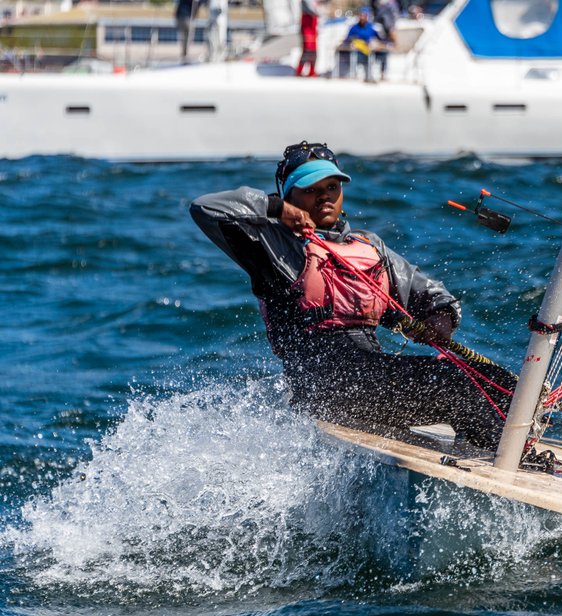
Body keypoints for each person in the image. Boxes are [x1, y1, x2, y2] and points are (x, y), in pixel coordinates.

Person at [189, 142, 515, 449]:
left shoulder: (367, 246)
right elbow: (206, 208)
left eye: (332, 187)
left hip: (371, 375)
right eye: (311, 190)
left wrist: (440, 321)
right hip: (321, 385)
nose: (325, 197)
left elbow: (434, 297)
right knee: (455, 384)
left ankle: (507, 455)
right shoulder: (270, 246)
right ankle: (507, 460)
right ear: (289, 196)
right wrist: (277, 209)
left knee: (501, 385)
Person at [342, 8, 387, 82]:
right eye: (361, 16)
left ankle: (382, 74)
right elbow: (347, 40)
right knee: (361, 56)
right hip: (358, 52)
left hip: (370, 50)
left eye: (364, 16)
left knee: (383, 54)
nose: (362, 18)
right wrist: (355, 42)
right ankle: (364, 76)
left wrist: (379, 43)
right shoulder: (354, 28)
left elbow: (380, 39)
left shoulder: (371, 27)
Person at [296, 0, 320, 77]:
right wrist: (320, 13)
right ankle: (299, 70)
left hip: (312, 26)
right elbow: (312, 10)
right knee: (307, 50)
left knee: (314, 51)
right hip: (307, 25)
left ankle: (312, 71)